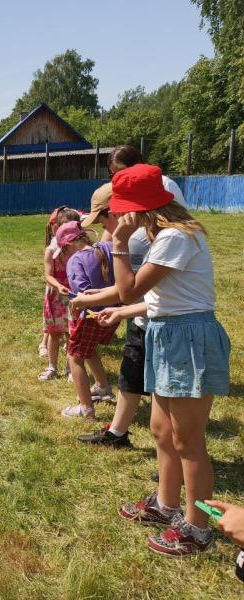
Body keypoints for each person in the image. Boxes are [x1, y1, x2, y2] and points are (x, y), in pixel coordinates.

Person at [110, 163, 230, 557]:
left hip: (188, 338)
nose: (120, 217)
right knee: (162, 431)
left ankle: (197, 528)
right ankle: (166, 504)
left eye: (124, 210)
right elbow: (153, 300)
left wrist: (119, 243)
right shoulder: (165, 236)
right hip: (167, 334)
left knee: (188, 440)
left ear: (141, 209)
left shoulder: (176, 237)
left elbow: (128, 291)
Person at [74, 166, 187, 448]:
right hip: (155, 323)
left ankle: (163, 464)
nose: (105, 229)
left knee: (177, 430)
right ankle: (118, 433)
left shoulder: (149, 239)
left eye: (105, 220)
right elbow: (140, 289)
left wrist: (120, 241)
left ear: (120, 213)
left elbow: (129, 291)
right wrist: (107, 301)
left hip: (173, 331)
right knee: (144, 399)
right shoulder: (157, 234)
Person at [53, 221, 117, 419]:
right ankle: (102, 388)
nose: (64, 255)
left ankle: (86, 408)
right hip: (113, 313)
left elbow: (82, 294)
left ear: (69, 245)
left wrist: (75, 305)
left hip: (91, 315)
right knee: (89, 349)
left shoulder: (75, 260)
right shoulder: (108, 247)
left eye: (64, 250)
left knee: (74, 357)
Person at [38, 206, 81, 381]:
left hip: (73, 296)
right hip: (55, 296)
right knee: (54, 333)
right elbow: (48, 276)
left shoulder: (78, 250)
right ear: (57, 228)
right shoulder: (50, 251)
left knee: (71, 334)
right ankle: (52, 367)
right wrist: (58, 286)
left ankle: (71, 369)